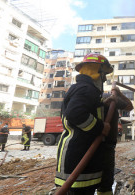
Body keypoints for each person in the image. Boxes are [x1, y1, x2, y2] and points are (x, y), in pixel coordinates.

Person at [55, 53, 114, 195]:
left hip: (81, 157)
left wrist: (100, 105)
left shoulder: (84, 89)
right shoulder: (86, 89)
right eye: (104, 74)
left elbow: (84, 110)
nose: (105, 79)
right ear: (96, 71)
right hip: (77, 158)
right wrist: (101, 127)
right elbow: (76, 114)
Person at [96, 88, 133, 195]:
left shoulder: (109, 97)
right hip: (103, 144)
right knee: (104, 180)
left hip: (103, 144)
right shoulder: (105, 97)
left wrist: (117, 94)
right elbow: (129, 106)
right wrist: (118, 93)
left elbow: (129, 106)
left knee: (102, 180)